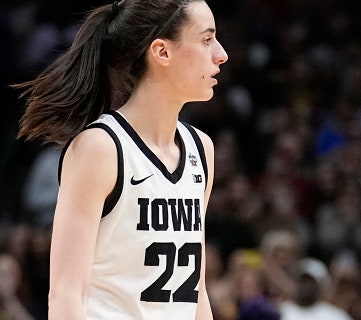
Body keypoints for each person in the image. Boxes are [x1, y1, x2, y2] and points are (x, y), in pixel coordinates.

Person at [13, 0, 228, 319]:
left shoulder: (201, 148)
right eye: (206, 39)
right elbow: (65, 293)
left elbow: (194, 287)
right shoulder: (101, 147)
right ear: (162, 52)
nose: (221, 53)